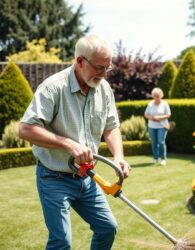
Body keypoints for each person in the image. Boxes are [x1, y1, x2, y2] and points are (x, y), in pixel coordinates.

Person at [19, 34, 131, 250]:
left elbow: (111, 126)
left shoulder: (104, 88)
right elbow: (26, 129)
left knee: (107, 228)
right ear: (80, 61)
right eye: (99, 67)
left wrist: (119, 157)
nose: (104, 73)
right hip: (53, 177)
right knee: (61, 242)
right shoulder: (53, 87)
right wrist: (69, 144)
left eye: (108, 68)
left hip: (87, 178)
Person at [144, 87, 171, 166]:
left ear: (161, 95)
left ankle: (163, 159)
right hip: (152, 126)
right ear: (153, 96)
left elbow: (168, 115)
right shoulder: (150, 104)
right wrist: (151, 118)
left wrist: (159, 117)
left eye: (158, 95)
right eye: (155, 95)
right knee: (154, 143)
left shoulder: (165, 104)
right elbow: (146, 114)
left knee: (161, 142)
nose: (156, 97)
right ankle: (155, 158)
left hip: (162, 126)